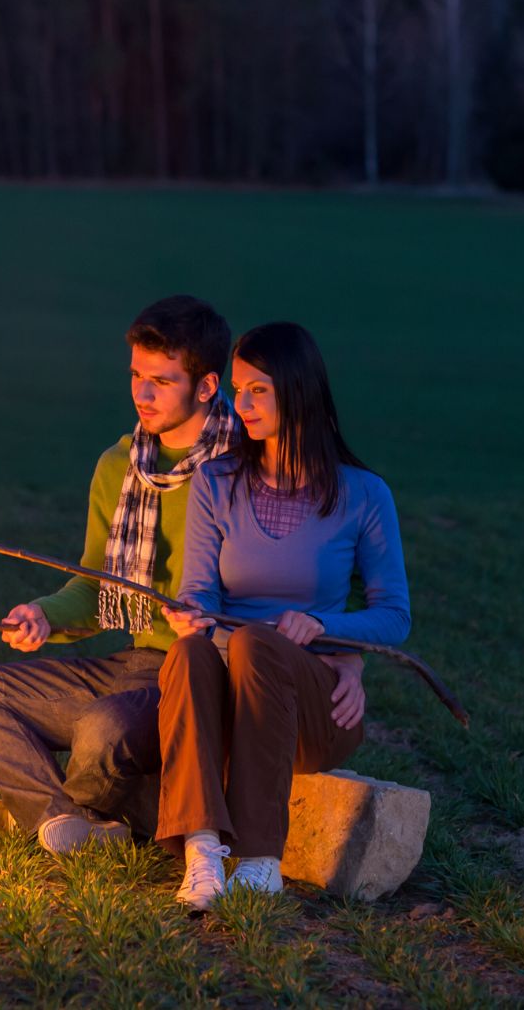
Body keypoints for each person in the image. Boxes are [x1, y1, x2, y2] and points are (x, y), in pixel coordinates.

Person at [0, 296, 241, 854]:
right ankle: (66, 819)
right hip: (134, 666)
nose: (142, 395)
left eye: (162, 381)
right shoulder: (118, 467)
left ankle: (44, 813)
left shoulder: (247, 467)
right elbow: (99, 586)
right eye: (135, 376)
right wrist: (44, 615)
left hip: (203, 674)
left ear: (206, 385)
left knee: (104, 727)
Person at [159, 321, 410, 911]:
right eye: (237, 391)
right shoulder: (216, 482)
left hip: (312, 705)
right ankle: (202, 854)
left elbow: (394, 616)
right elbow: (198, 591)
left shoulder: (364, 495)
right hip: (229, 697)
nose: (239, 405)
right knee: (191, 651)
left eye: (256, 391)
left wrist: (327, 629)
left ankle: (261, 860)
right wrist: (189, 615)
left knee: (256, 644)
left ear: (296, 391)